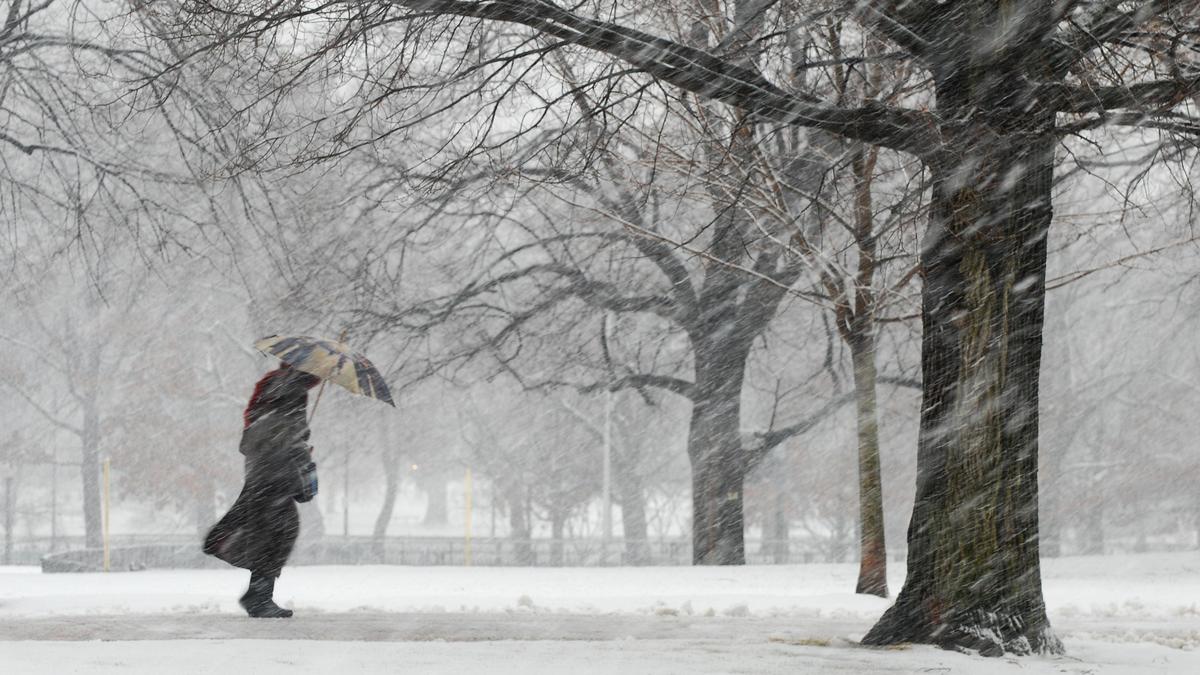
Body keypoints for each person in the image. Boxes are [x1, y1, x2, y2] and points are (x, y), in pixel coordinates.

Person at [203, 363, 320, 618]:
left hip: (263, 471)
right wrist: (299, 448)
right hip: (275, 473)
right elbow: (285, 430)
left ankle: (257, 595)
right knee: (278, 533)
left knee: (269, 532)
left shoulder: (275, 385)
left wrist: (297, 442)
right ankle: (258, 597)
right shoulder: (293, 389)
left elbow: (263, 431)